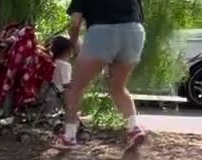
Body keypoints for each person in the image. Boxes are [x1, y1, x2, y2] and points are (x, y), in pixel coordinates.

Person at [57, 0, 147, 151]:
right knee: (118, 87)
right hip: (134, 33)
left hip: (103, 32)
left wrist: (73, 46)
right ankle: (134, 128)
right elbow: (138, 16)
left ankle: (69, 136)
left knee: (75, 87)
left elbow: (75, 23)